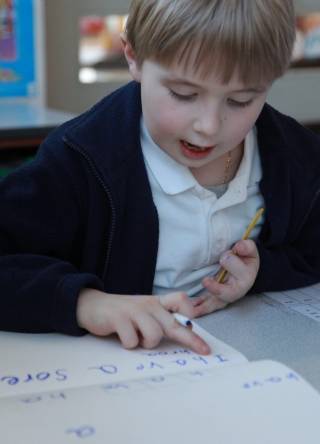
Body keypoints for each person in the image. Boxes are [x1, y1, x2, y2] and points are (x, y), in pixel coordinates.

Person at [1, 0, 319, 355]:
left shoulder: (294, 156)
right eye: (184, 94)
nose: (208, 127)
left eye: (241, 100)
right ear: (133, 57)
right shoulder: (79, 161)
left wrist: (264, 271)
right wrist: (86, 303)